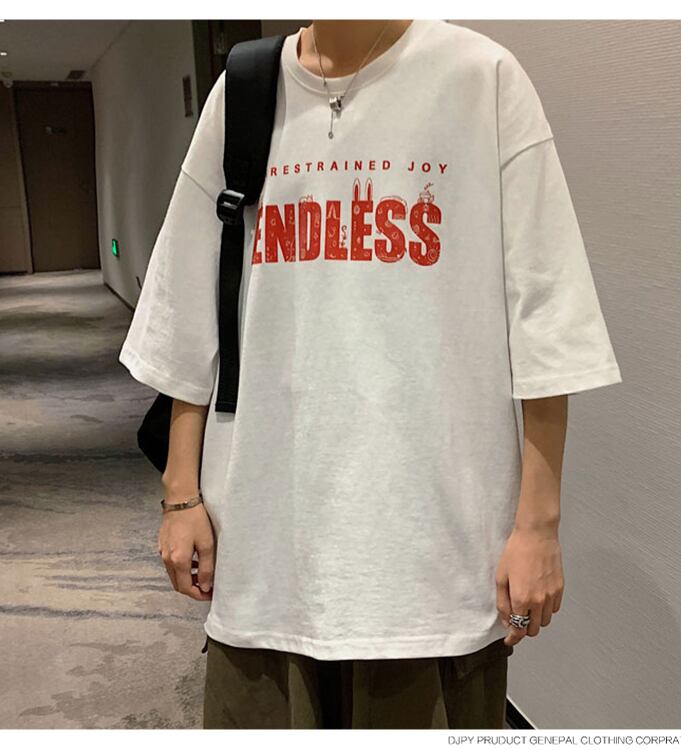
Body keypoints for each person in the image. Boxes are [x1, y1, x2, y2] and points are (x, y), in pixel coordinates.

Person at [119, 18, 622, 729]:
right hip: (265, 547)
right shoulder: (245, 91)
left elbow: (549, 323)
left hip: (434, 560)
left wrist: (538, 527)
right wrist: (180, 496)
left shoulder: (480, 78)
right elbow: (187, 315)